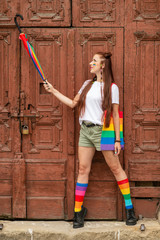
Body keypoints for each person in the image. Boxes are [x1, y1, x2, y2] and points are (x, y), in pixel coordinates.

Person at [43, 52, 137, 228]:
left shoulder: (112, 88)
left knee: (116, 168)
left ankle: (129, 209)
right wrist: (53, 90)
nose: (90, 63)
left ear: (103, 66)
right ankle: (78, 212)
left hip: (103, 131)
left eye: (94, 61)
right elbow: (72, 104)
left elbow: (115, 114)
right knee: (83, 169)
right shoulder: (87, 84)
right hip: (85, 131)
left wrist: (118, 140)